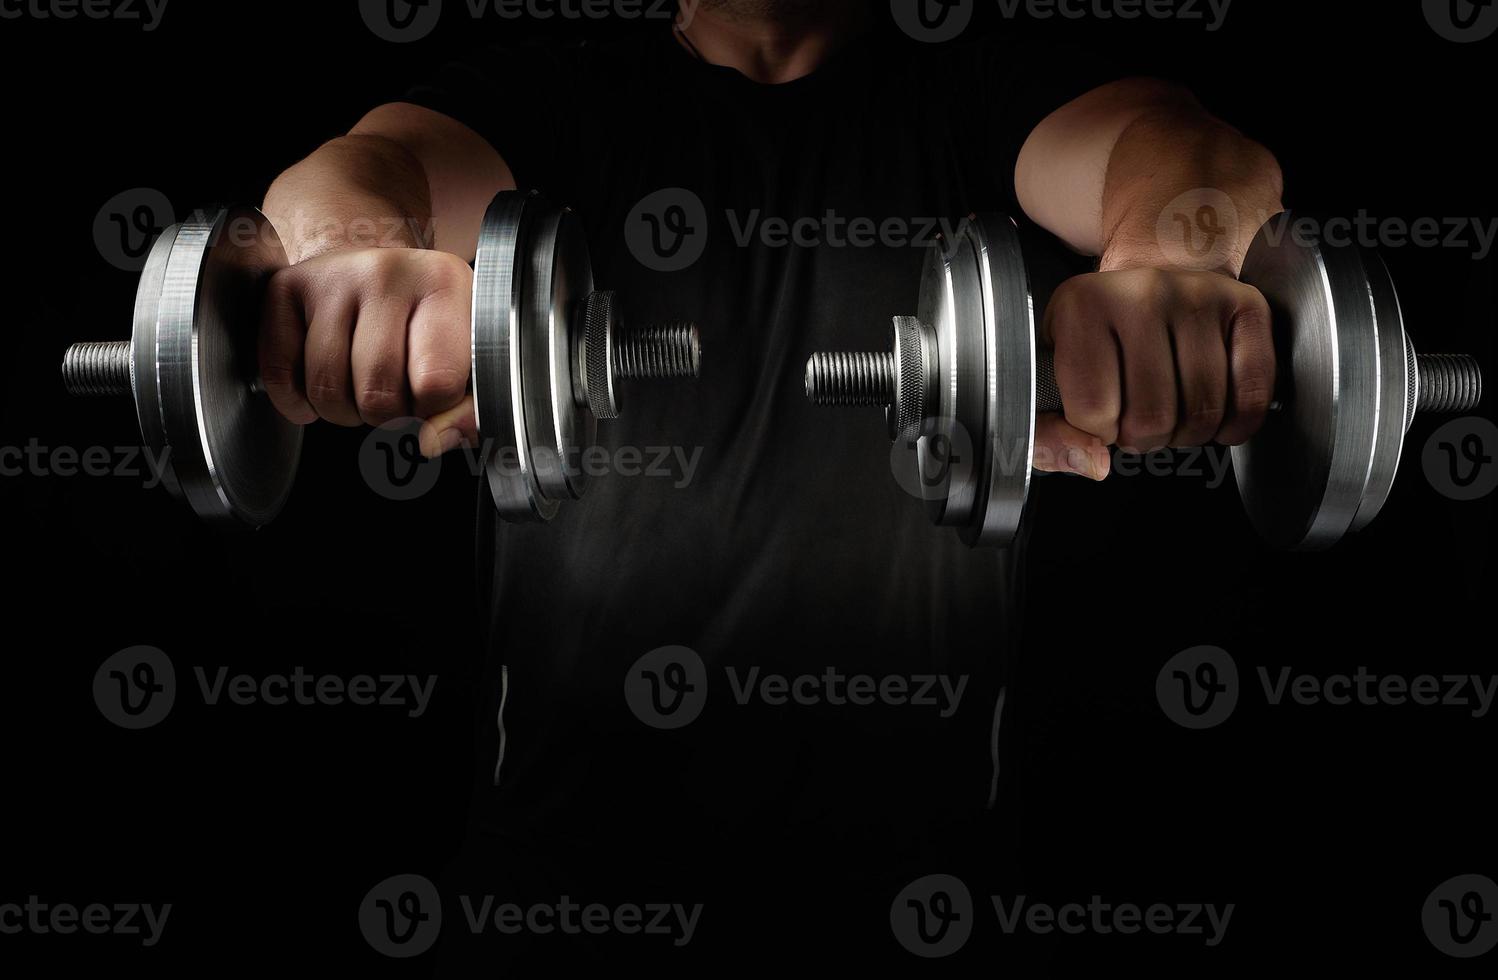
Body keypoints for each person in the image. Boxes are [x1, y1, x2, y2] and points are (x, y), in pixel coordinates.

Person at [259, 0, 1284, 965]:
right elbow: (365, 165)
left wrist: (1165, 256)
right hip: (560, 874)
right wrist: (361, 252)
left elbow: (1178, 146)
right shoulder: (560, 92)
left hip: (916, 885)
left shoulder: (973, 87)